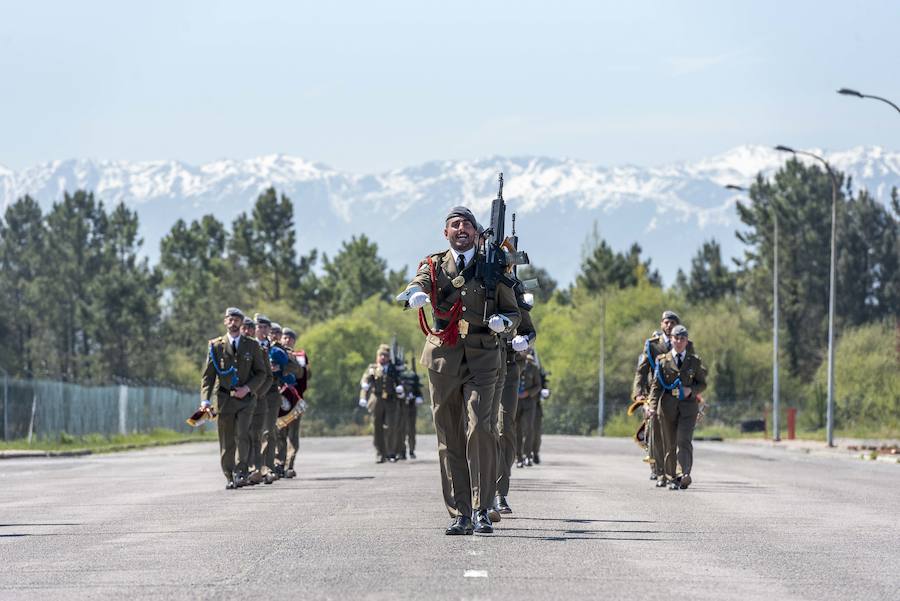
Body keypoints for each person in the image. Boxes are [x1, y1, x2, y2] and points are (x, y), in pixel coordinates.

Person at [396, 206, 520, 535]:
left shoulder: (492, 265)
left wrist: (504, 322)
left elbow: (514, 311)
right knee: (449, 435)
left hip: (483, 356)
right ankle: (460, 512)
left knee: (480, 428)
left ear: (477, 233)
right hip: (443, 359)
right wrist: (415, 295)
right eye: (455, 224)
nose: (461, 228)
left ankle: (481, 507)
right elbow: (416, 284)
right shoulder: (434, 265)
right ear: (446, 233)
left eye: (467, 224)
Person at [199, 307, 268, 490]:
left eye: (237, 319)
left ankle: (241, 472)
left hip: (246, 400)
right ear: (225, 322)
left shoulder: (252, 345)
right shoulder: (215, 346)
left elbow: (261, 373)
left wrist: (247, 388)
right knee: (227, 439)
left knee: (242, 434)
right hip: (224, 399)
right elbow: (208, 376)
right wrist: (205, 400)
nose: (233, 322)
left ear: (241, 322)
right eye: (230, 319)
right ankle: (229, 475)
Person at [632, 310, 694, 485]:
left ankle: (679, 472)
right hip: (658, 393)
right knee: (658, 433)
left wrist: (694, 392)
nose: (669, 325)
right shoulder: (652, 345)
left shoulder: (685, 343)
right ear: (661, 324)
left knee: (680, 435)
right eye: (666, 322)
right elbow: (641, 371)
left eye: (672, 322)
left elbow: (693, 368)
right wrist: (638, 393)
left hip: (681, 395)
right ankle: (660, 471)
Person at [648, 324, 707, 490]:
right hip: (667, 408)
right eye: (676, 338)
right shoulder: (663, 361)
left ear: (687, 341)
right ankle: (672, 476)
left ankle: (685, 474)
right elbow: (656, 386)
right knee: (670, 443)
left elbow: (702, 383)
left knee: (684, 439)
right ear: (671, 340)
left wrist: (692, 390)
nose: (679, 341)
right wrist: (652, 406)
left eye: (682, 338)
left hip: (688, 408)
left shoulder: (694, 361)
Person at [493, 291, 534, 516]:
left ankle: (500, 491)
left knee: (505, 428)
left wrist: (524, 340)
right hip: (478, 364)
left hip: (508, 367)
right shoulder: (476, 277)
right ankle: (477, 491)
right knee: (477, 428)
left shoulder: (513, 288)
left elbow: (529, 330)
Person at [359, 344, 404, 463]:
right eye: (381, 355)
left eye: (385, 355)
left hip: (390, 400)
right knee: (377, 427)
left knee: (391, 427)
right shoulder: (372, 368)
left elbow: (400, 380)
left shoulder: (394, 368)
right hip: (377, 400)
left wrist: (400, 387)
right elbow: (365, 379)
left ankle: (391, 452)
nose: (383, 357)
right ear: (377, 356)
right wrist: (364, 391)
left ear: (389, 357)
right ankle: (380, 453)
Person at [254, 313, 282, 485]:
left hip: (270, 395)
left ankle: (267, 468)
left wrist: (280, 368)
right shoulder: (248, 346)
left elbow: (296, 369)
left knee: (268, 431)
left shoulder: (276, 349)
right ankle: (251, 468)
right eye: (260, 327)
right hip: (251, 394)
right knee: (249, 433)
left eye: (266, 327)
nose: (263, 330)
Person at [276, 328, 305, 477]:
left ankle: (289, 465)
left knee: (293, 435)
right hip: (279, 399)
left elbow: (302, 374)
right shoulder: (274, 353)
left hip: (294, 400)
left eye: (290, 338)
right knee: (279, 433)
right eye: (285, 338)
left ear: (294, 341)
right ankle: (279, 464)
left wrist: (294, 360)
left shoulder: (298, 356)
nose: (287, 340)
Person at [515, 350, 542, 468]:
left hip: (529, 402)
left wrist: (527, 393)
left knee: (529, 429)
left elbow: (538, 386)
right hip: (515, 402)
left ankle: (527, 456)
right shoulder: (514, 365)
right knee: (517, 429)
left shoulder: (533, 368)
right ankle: (518, 456)